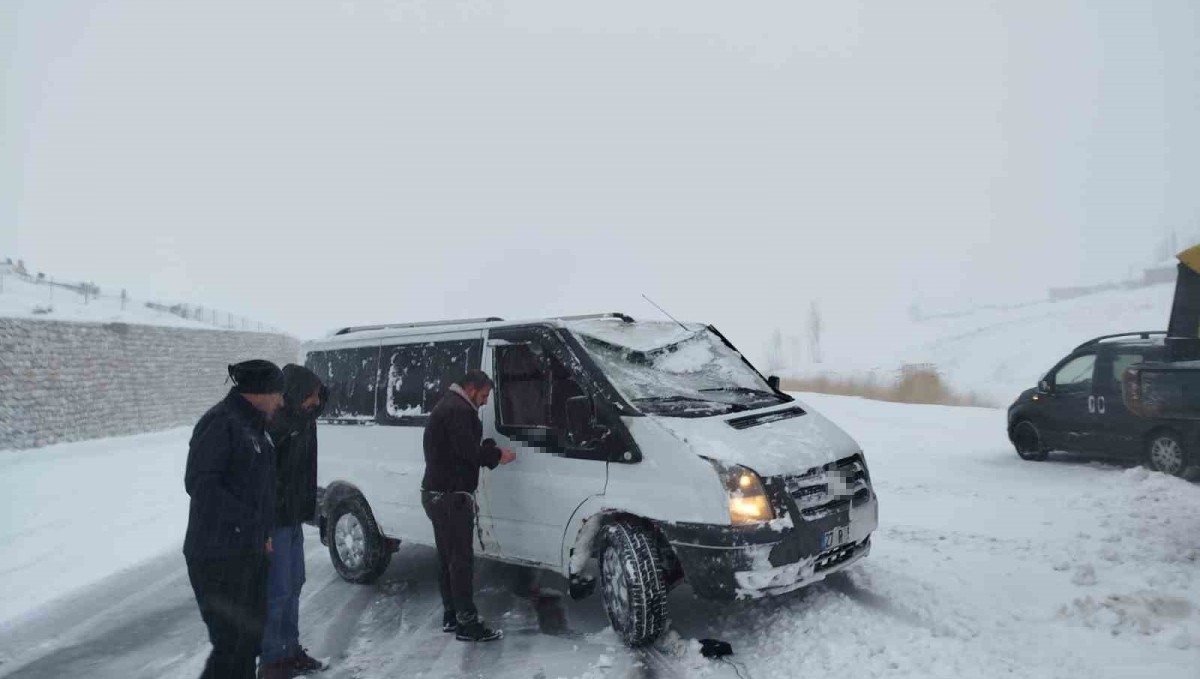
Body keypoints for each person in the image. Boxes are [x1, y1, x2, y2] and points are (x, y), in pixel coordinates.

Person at [184, 360, 284, 679]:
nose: (281, 401)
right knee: (231, 646)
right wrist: (250, 524)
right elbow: (201, 485)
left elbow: (257, 486)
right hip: (217, 557)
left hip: (247, 552)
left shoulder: (254, 426)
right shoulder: (220, 423)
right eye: (278, 393)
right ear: (260, 392)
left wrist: (263, 534)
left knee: (248, 641)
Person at [421, 370, 516, 642]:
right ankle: (467, 624)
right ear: (471, 388)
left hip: (436, 494)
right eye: (484, 395)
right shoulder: (458, 410)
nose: (485, 401)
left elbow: (458, 449)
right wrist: (497, 454)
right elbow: (469, 453)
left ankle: (452, 616)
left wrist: (485, 446)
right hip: (451, 498)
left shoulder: (448, 405)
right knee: (460, 562)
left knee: (447, 559)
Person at [260, 365, 329, 678]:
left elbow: (321, 402)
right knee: (277, 592)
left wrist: (319, 392)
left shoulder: (304, 417)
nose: (316, 402)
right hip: (274, 522)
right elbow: (259, 481)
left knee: (294, 585)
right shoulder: (275, 426)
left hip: (293, 519)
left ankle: (290, 650)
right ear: (297, 394)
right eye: (311, 396)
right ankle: (271, 662)